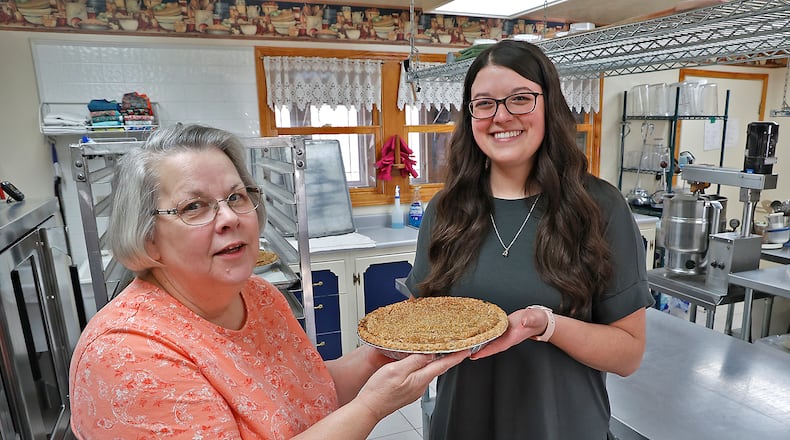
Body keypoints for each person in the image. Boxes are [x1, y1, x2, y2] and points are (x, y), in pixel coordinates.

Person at [68, 124, 468, 439]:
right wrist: (370, 408)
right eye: (195, 206)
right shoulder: (128, 356)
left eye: (237, 197)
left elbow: (306, 396)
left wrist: (374, 358)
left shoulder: (257, 296)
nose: (229, 218)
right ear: (147, 238)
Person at [405, 40, 654, 440]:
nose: (500, 117)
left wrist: (548, 325)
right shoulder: (445, 210)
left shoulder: (600, 207)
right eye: (483, 103)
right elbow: (421, 330)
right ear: (470, 116)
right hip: (461, 427)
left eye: (520, 99)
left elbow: (628, 354)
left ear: (549, 105)